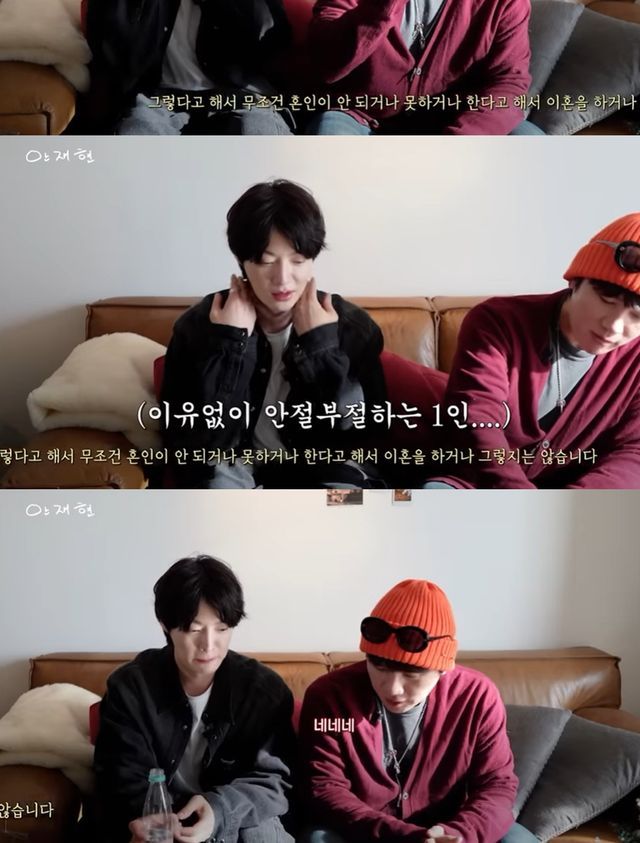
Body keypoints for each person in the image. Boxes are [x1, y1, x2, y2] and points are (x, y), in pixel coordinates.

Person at [160, 179, 387, 489]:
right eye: (266, 261)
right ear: (242, 262)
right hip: (237, 473)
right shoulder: (198, 328)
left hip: (323, 472)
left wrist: (320, 347)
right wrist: (231, 345)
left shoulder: (353, 328)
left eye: (297, 260)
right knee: (217, 500)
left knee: (357, 504)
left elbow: (364, 436)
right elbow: (190, 445)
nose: (283, 279)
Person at [298, 579, 536, 843]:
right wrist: (408, 837)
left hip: (452, 829)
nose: (393, 689)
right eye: (378, 667)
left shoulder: (476, 697)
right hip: (362, 830)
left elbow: (496, 785)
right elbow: (325, 787)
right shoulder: (330, 697)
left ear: (443, 668)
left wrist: (458, 834)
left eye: (411, 674)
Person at [423, 212, 640, 489]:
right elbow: (477, 417)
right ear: (575, 281)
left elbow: (633, 450)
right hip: (476, 485)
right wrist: (525, 501)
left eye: (637, 315)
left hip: (574, 497)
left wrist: (575, 504)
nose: (614, 326)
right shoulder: (498, 322)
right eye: (605, 299)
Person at [90, 555, 296, 843]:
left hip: (235, 824)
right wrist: (165, 824)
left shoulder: (262, 691)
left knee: (260, 832)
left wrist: (218, 811)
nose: (209, 645)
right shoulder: (131, 688)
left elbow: (274, 781)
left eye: (222, 628)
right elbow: (120, 776)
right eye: (194, 629)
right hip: (157, 824)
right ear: (165, 625)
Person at [304, 0, 542, 135]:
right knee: (330, 138)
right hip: (360, 117)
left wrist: (459, 143)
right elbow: (324, 63)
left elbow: (509, 83)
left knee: (528, 140)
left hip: (454, 121)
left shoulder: (506, 4)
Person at [80, 0, 294, 135]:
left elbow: (272, 39)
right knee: (139, 135)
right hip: (160, 99)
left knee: (262, 141)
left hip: (241, 96)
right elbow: (112, 50)